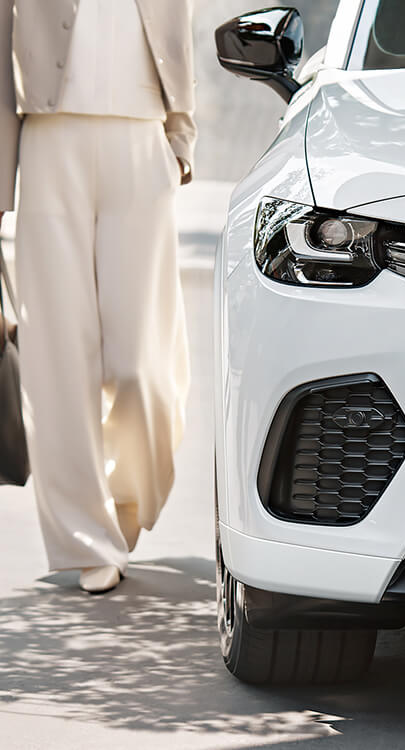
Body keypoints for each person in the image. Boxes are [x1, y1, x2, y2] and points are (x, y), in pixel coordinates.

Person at [0, 0, 196, 593]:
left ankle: (128, 495)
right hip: (49, 141)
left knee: (139, 365)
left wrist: (181, 138)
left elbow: (176, 36)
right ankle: (87, 538)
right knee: (60, 356)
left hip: (141, 143)